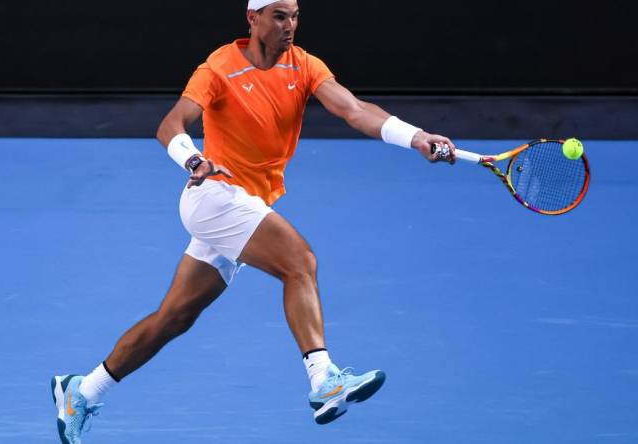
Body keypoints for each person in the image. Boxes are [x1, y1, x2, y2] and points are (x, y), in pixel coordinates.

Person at [51, 0, 456, 442]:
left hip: (246, 204)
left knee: (175, 317)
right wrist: (193, 160)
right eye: (280, 16)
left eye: (296, 16)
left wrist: (415, 136)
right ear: (254, 18)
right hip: (213, 196)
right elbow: (171, 124)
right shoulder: (219, 67)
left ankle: (82, 391)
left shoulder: (304, 65)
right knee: (298, 261)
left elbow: (353, 109)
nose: (290, 26)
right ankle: (324, 380)